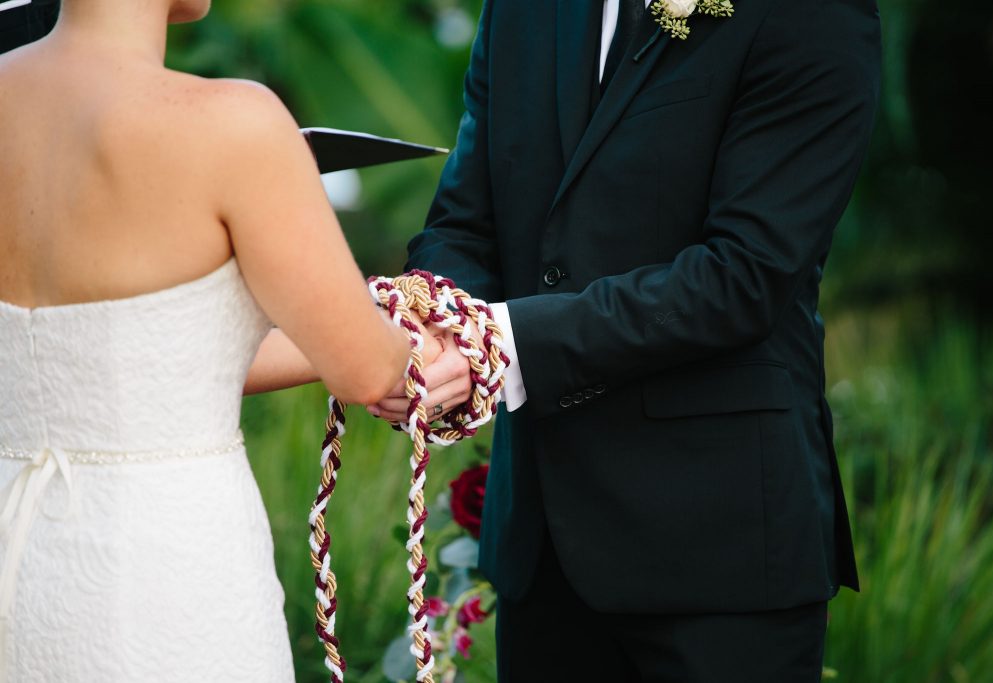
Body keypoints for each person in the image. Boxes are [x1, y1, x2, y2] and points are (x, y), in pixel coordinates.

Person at [370, 0, 881, 680]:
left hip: (719, 554)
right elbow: (465, 220)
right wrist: (438, 328)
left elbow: (743, 275)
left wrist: (504, 342)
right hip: (543, 546)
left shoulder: (811, 13)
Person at [0, 0, 426, 680]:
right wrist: (445, 330)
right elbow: (369, 370)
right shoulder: (234, 124)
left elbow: (145, 353)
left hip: (18, 563)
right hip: (168, 571)